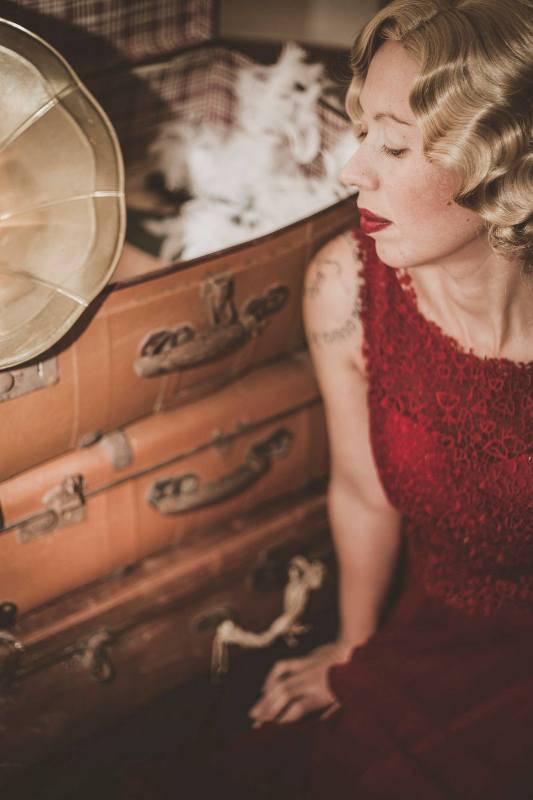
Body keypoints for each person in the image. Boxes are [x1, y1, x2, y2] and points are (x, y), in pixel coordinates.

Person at [173, 1, 532, 797]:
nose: (351, 170)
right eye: (361, 130)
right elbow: (363, 492)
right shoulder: (345, 285)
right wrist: (355, 650)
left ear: (506, 161)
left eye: (393, 145)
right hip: (433, 628)